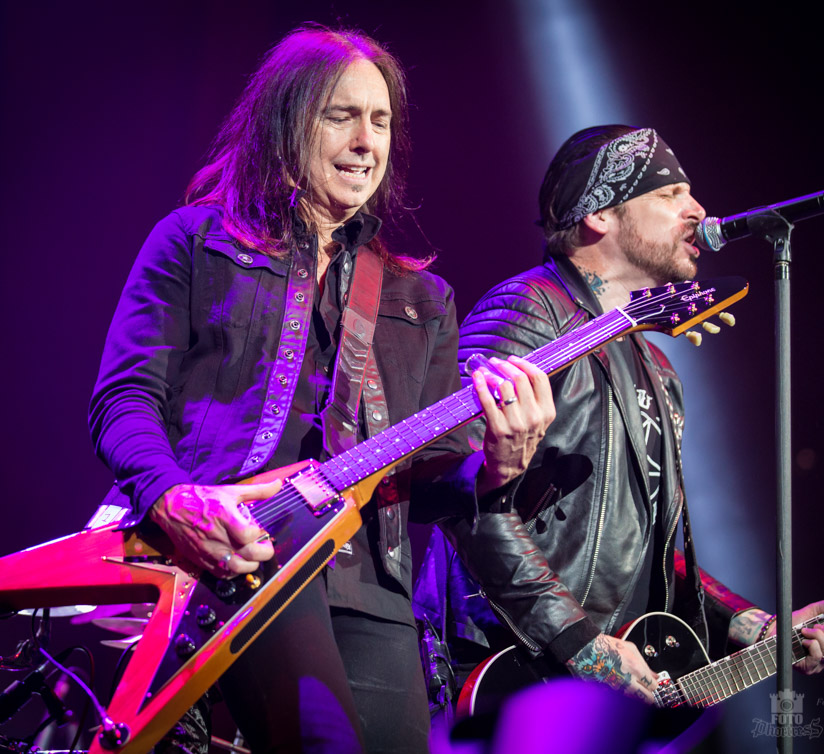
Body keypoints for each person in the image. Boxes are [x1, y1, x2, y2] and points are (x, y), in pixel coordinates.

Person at [87, 26, 553, 753]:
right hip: (235, 552)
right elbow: (123, 402)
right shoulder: (193, 243)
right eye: (342, 115)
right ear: (285, 120)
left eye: (382, 121)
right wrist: (173, 497)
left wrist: (504, 463)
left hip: (373, 587)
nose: (367, 141)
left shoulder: (423, 297)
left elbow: (433, 485)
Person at [414, 125, 824, 715]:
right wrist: (579, 643)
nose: (698, 210)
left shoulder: (659, 368)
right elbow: (455, 483)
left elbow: (651, 543)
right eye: (671, 194)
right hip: (508, 669)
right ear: (599, 216)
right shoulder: (529, 308)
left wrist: (755, 624)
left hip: (605, 681)